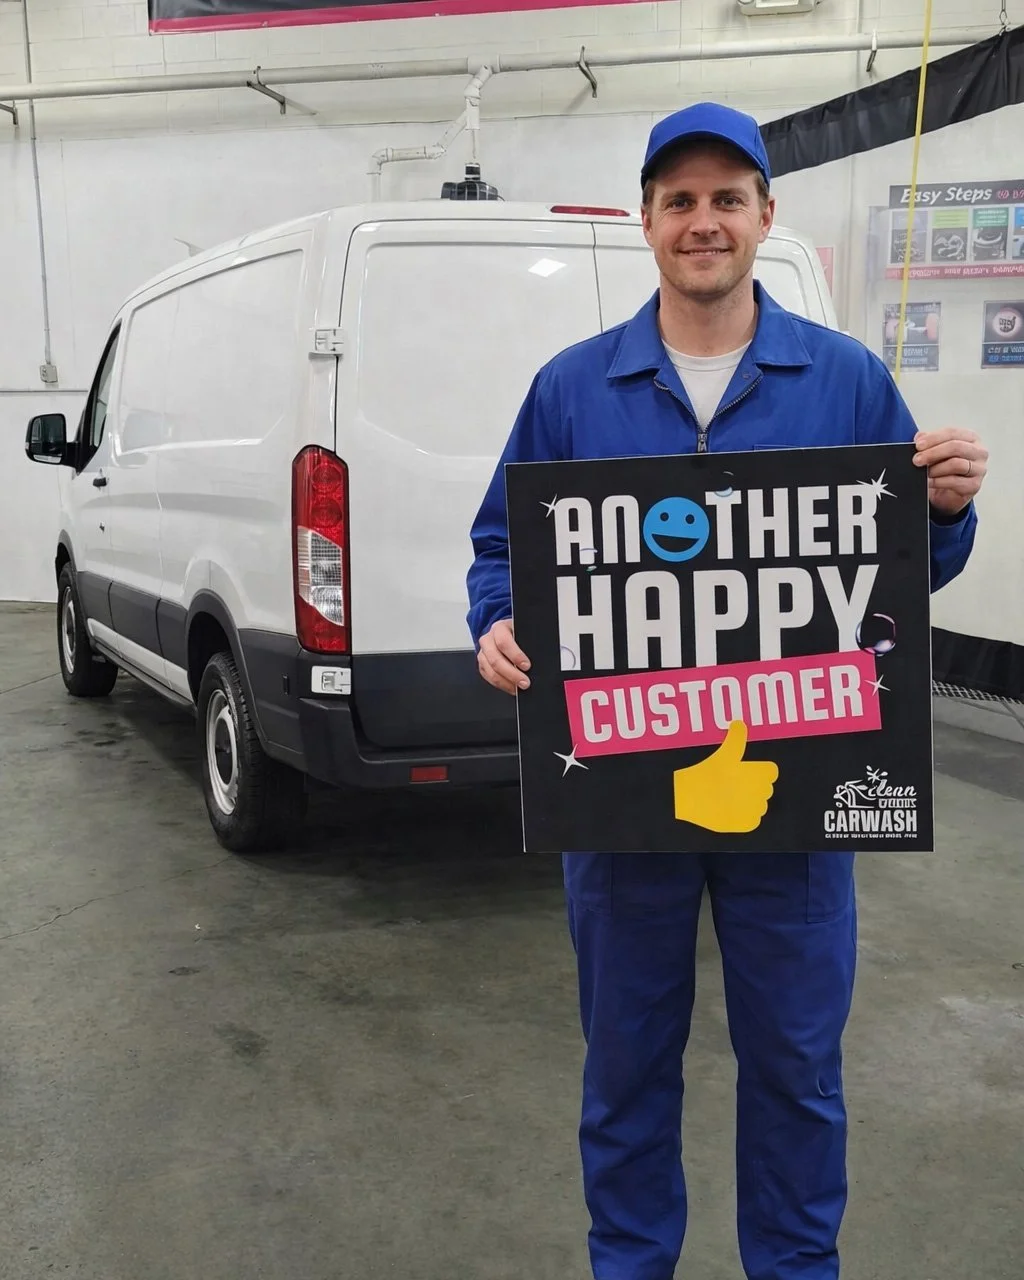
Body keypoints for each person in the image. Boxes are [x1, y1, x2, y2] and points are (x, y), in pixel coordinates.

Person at [465, 102, 989, 1280]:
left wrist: (945, 507)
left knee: (797, 1069)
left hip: (795, 805)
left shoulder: (845, 376)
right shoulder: (572, 387)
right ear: (645, 221)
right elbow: (501, 545)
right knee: (625, 1064)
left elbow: (905, 561)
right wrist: (495, 621)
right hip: (622, 801)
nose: (703, 222)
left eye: (726, 199)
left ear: (765, 215)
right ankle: (630, 1266)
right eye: (679, 201)